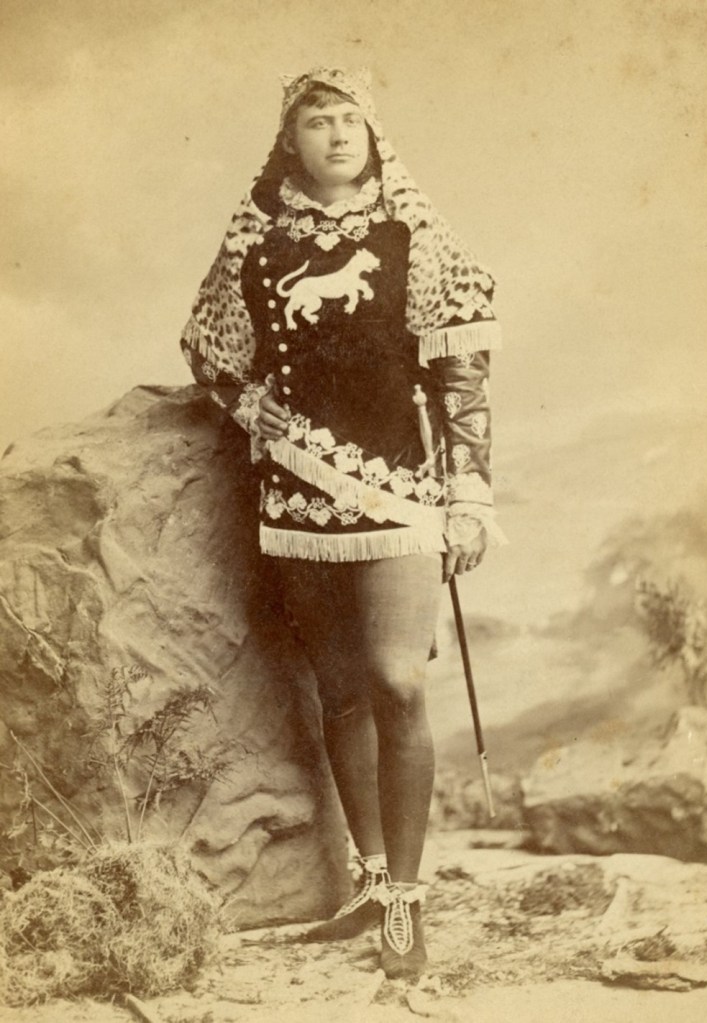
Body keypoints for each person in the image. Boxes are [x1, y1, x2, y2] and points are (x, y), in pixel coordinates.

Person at [181, 66, 504, 981]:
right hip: (294, 493)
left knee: (398, 678)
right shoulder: (258, 240)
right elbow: (207, 344)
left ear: (372, 133)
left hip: (401, 487)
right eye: (316, 122)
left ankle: (407, 898)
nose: (334, 136)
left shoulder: (413, 233)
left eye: (348, 120)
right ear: (291, 140)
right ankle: (366, 880)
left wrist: (471, 494)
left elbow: (462, 375)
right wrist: (251, 410)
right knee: (341, 689)